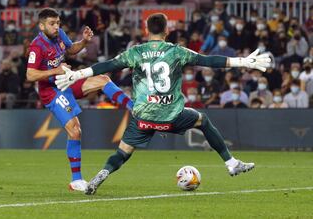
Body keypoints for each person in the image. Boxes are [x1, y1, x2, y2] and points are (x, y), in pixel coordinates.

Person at [55, 13, 271, 194]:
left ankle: (101, 174)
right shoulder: (176, 51)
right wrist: (242, 61)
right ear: (167, 30)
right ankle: (231, 163)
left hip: (143, 117)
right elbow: (208, 61)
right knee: (202, 120)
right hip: (172, 115)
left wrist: (78, 74)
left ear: (146, 30)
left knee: (122, 152)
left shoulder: (135, 52)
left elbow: (108, 65)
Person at [26, 8, 133, 192]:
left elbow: (71, 49)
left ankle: (135, 108)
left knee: (103, 79)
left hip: (66, 81)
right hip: (52, 91)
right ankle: (76, 180)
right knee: (75, 131)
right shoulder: (37, 46)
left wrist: (83, 41)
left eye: (58, 23)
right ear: (42, 25)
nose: (56, 27)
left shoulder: (59, 34)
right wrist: (55, 70)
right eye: (52, 24)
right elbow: (30, 75)